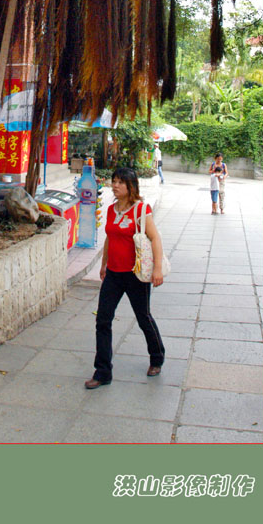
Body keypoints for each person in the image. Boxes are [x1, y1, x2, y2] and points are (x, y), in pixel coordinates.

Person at [85, 166, 166, 388]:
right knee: (103, 319)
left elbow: (155, 239)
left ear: (131, 186)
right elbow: (110, 238)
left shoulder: (141, 209)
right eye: (114, 181)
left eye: (120, 182)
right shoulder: (111, 209)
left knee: (143, 318)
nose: (115, 185)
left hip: (135, 275)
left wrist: (157, 269)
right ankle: (102, 372)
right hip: (113, 273)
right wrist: (103, 264)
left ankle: (157, 357)